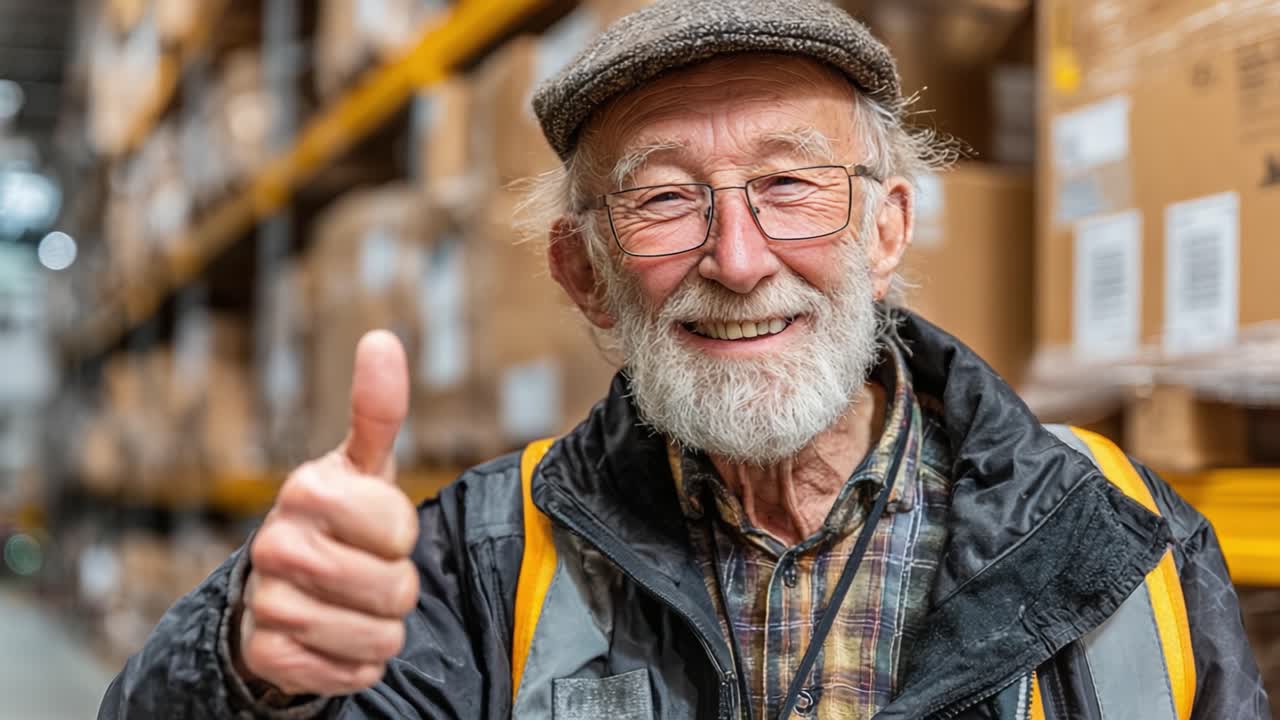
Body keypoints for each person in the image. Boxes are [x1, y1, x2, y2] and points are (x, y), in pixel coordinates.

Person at [99, 1, 1269, 718]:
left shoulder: (1123, 537)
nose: (739, 256)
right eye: (661, 200)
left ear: (888, 228)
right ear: (581, 273)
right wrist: (248, 666)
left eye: (789, 184)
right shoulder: (478, 561)